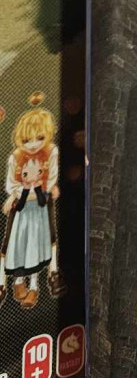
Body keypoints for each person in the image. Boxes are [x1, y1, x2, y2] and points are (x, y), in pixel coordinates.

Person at [1, 91, 62, 310]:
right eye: (27, 140)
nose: (33, 144)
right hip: (22, 211)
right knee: (18, 245)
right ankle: (18, 282)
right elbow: (11, 184)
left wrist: (39, 191)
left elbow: (52, 177)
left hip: (39, 211)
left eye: (40, 138)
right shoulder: (16, 157)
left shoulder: (51, 152)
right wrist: (21, 194)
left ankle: (34, 287)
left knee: (37, 247)